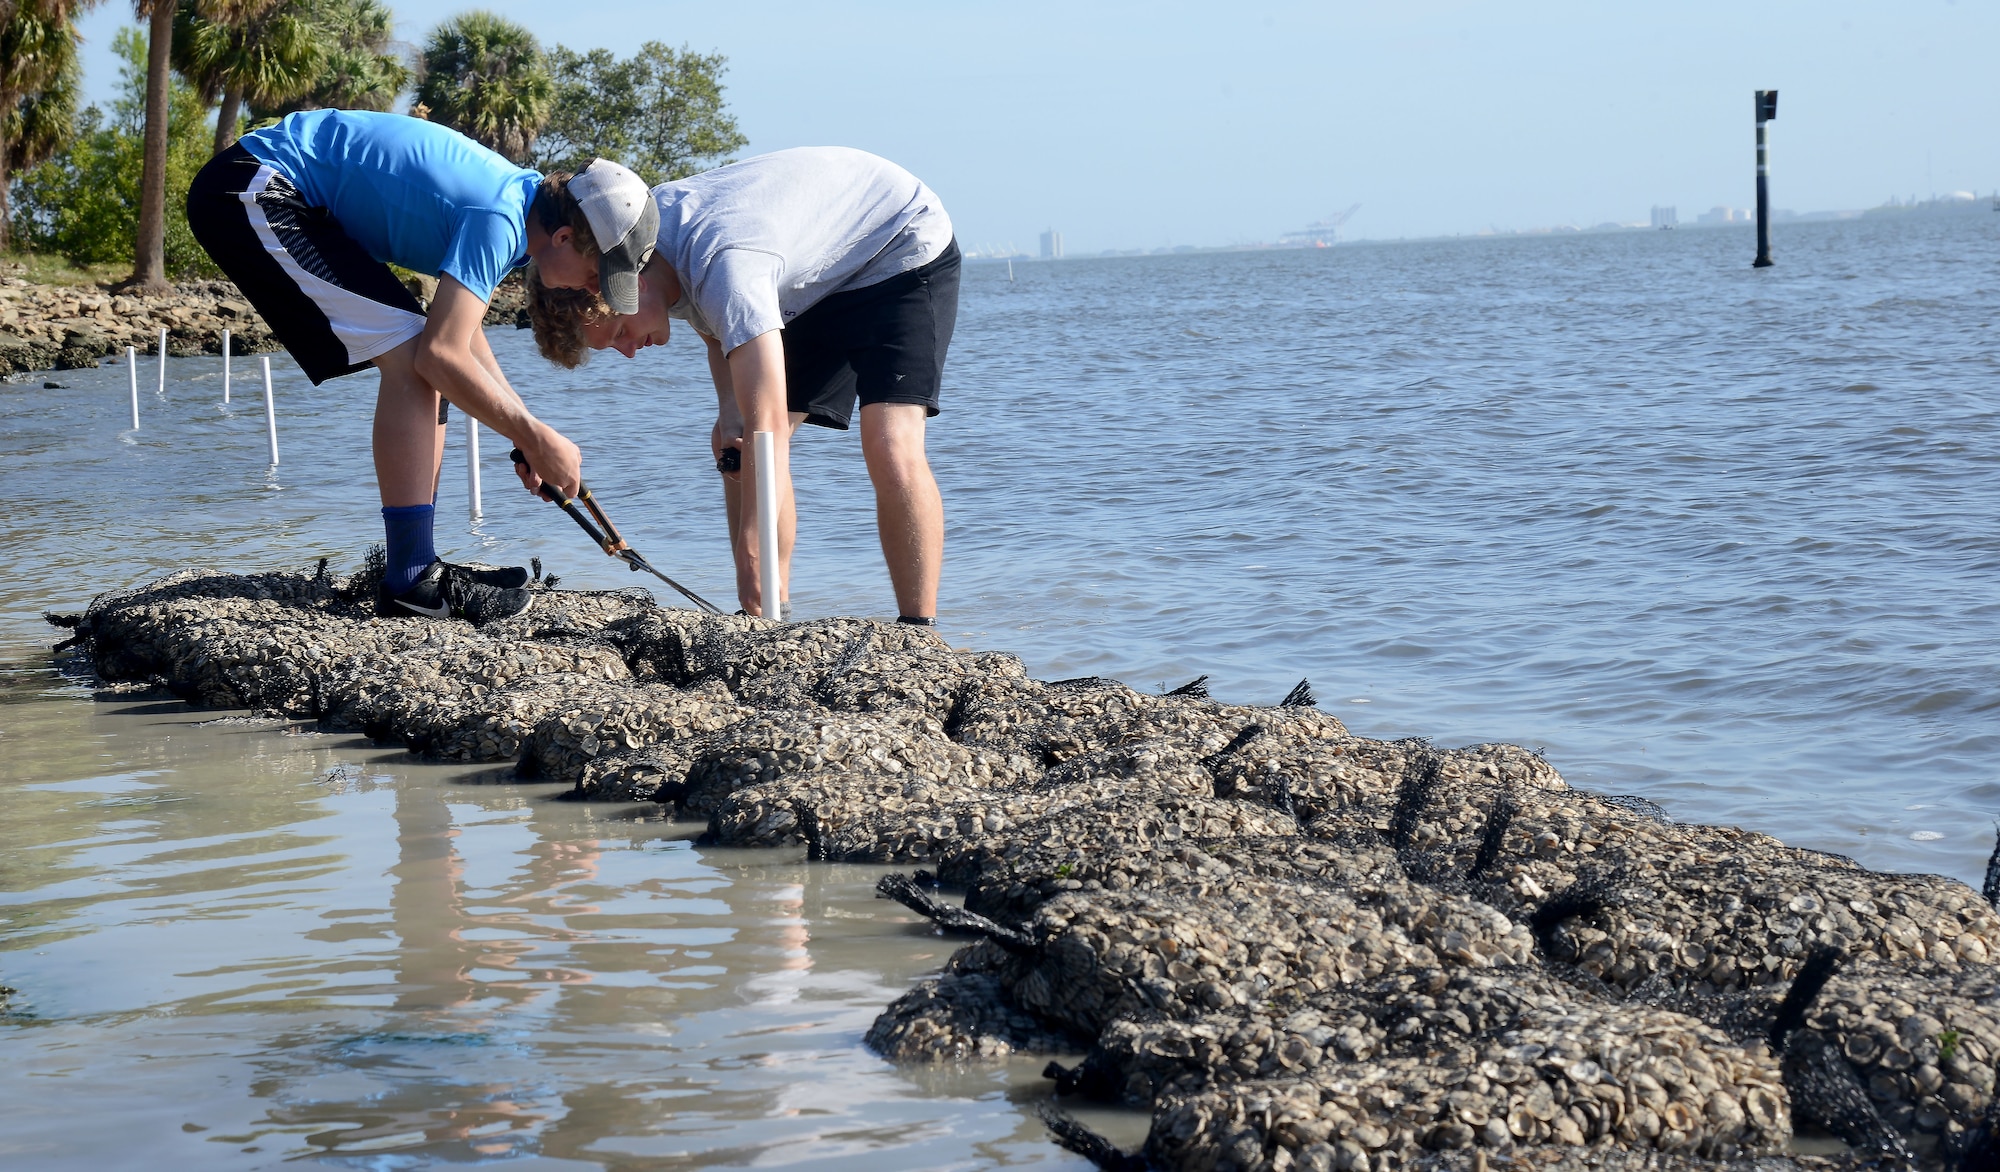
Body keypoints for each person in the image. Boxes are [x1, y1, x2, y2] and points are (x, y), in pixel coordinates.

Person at [185, 109, 660, 623]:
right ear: (564, 237)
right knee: (415, 361)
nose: (593, 290)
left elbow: (460, 332)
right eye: (596, 275)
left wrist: (526, 434)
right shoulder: (498, 218)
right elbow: (440, 355)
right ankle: (412, 579)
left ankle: (416, 570)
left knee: (419, 350)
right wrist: (536, 437)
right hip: (255, 187)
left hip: (285, 192)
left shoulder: (514, 214)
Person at [526, 146, 958, 624]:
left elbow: (767, 422)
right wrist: (729, 407)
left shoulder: (723, 264)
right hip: (808, 274)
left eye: (622, 335)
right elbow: (716, 329)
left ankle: (920, 632)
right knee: (734, 443)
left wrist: (753, 546)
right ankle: (769, 611)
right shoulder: (628, 242)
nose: (630, 352)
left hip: (897, 243)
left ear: (636, 284)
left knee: (887, 440)